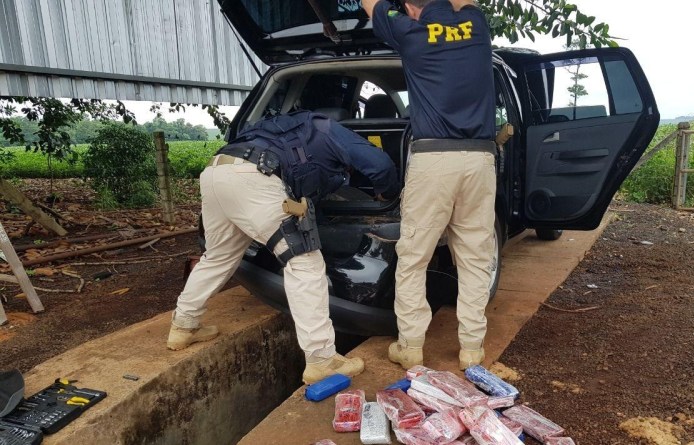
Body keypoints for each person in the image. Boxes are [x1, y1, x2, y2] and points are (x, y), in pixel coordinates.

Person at [167, 110, 399, 384]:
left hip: (216, 172)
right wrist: (388, 193)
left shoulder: (282, 127)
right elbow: (380, 164)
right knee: (303, 261)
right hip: (254, 176)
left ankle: (183, 325)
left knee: (218, 256)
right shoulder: (328, 128)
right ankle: (322, 360)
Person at [362, 0, 497, 371]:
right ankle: (471, 349)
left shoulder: (408, 31)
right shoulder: (476, 24)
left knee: (414, 257)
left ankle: (411, 346)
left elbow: (369, 2)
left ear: (409, 8)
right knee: (474, 258)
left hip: (433, 159)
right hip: (480, 160)